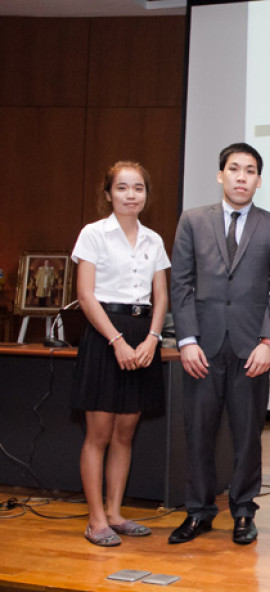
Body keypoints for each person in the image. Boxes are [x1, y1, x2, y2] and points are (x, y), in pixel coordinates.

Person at [169, 142, 270, 545]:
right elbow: (181, 285)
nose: (242, 177)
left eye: (251, 170)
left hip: (250, 350)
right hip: (201, 347)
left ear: (259, 179)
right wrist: (186, 340)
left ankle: (243, 511)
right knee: (199, 433)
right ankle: (199, 511)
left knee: (247, 435)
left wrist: (268, 342)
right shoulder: (191, 221)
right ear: (220, 175)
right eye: (235, 169)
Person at [71, 161, 169, 546]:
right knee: (99, 433)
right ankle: (96, 520)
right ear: (108, 193)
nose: (132, 195)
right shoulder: (93, 234)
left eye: (139, 188)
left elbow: (161, 296)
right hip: (104, 336)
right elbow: (85, 295)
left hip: (142, 337)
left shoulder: (154, 239)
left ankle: (115, 513)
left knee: (125, 434)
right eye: (123, 188)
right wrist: (116, 341)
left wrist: (152, 338)